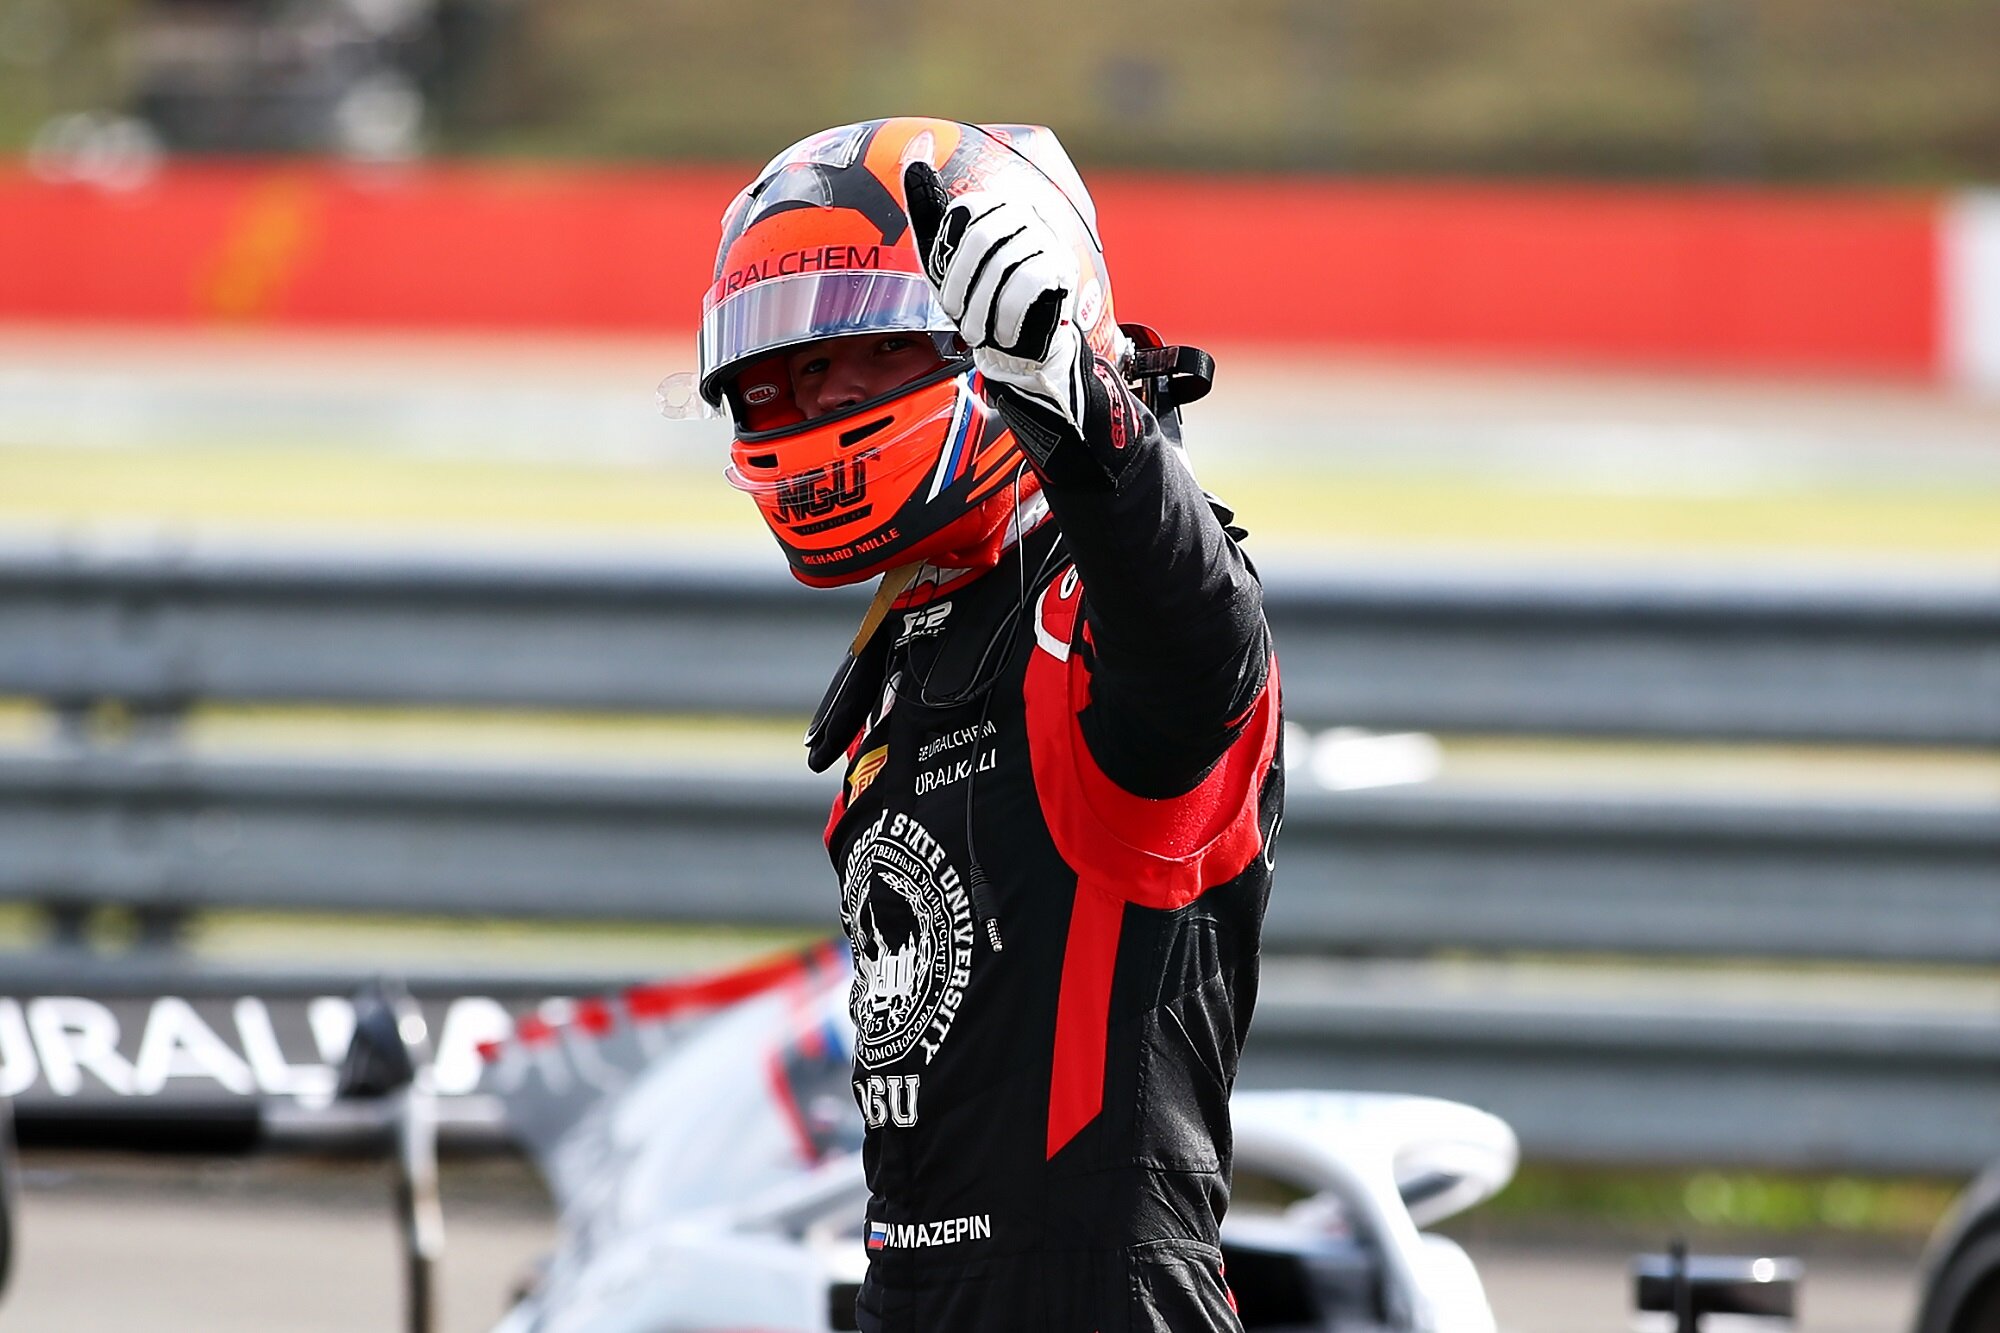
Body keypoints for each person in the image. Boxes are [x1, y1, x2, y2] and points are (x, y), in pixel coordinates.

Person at [695, 117, 1284, 1333]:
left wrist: (1086, 414)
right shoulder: (922, 634)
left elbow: (1197, 648)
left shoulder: (1093, 606)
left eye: (847, 355)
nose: (800, 401)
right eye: (775, 375)